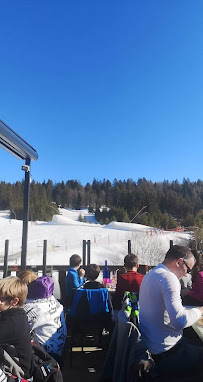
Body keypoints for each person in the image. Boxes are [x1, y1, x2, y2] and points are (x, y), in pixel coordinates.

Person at [139, 245, 203, 380]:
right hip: (167, 355)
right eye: (188, 269)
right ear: (179, 262)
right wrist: (199, 311)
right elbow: (179, 321)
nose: (186, 274)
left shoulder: (150, 275)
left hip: (152, 348)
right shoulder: (169, 278)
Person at [18, 272, 67, 367]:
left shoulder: (31, 308)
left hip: (42, 357)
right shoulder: (52, 300)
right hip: (58, 351)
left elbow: (15, 328)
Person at [0, 276, 33, 380]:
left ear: (14, 301)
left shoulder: (12, 323)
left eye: (0, 299)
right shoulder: (17, 315)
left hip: (18, 374)